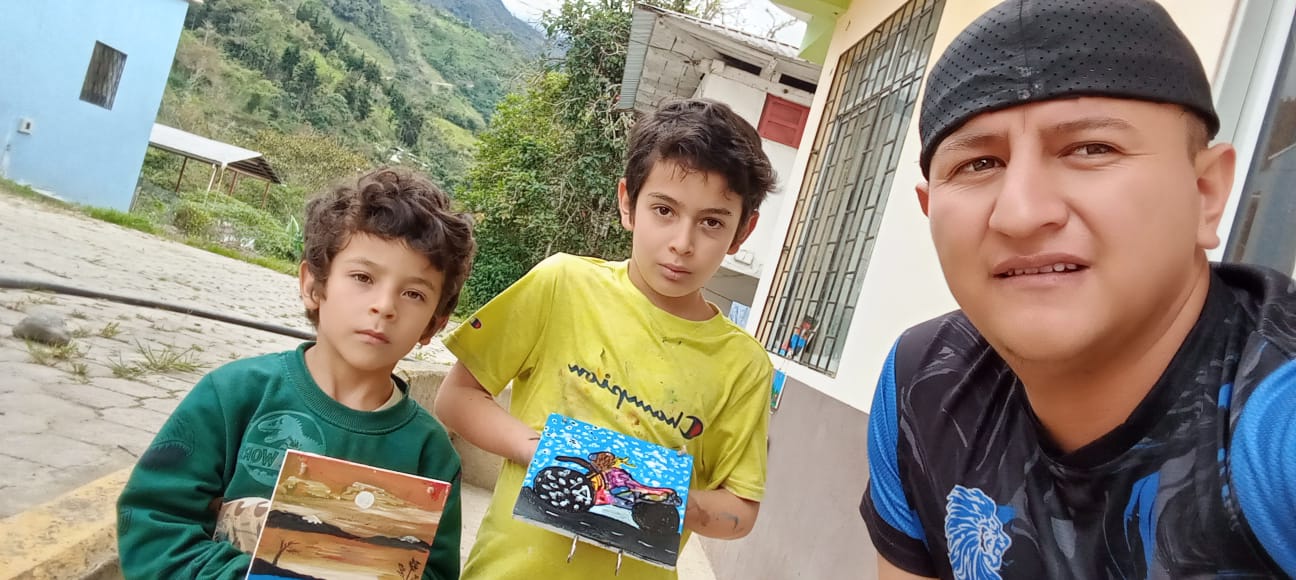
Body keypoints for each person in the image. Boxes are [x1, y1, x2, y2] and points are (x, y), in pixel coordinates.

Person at [861, 0, 1296, 577]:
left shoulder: (1277, 428)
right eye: (979, 164)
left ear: (1206, 195)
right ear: (930, 208)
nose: (1020, 214)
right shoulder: (923, 385)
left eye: (1092, 149)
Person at [434, 98, 777, 579]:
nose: (682, 243)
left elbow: (740, 508)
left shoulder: (745, 366)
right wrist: (540, 450)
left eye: (712, 222)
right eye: (664, 210)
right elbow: (456, 398)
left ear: (742, 231)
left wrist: (659, 495)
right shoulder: (561, 284)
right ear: (627, 203)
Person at [116, 167, 476, 579]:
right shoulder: (234, 395)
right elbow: (153, 522)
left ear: (434, 324)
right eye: (363, 277)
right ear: (313, 286)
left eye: (413, 293)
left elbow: (434, 573)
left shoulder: (430, 454)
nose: (385, 305)